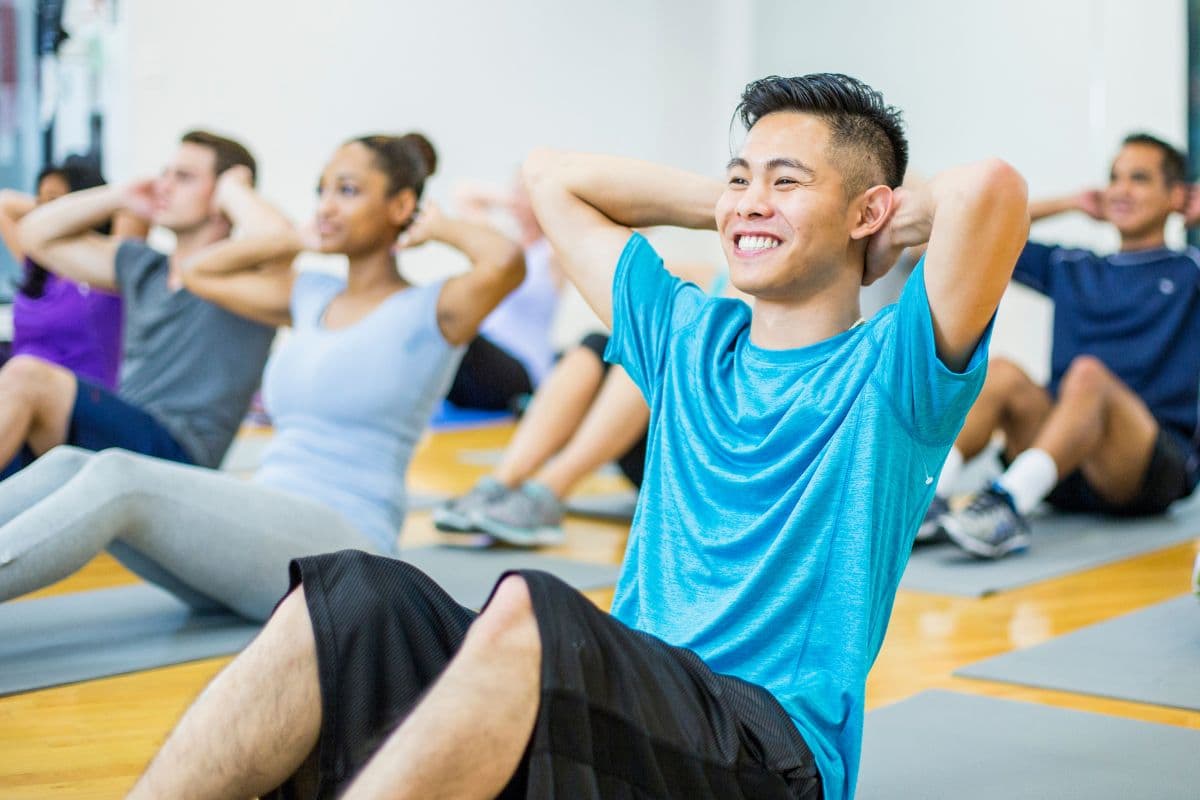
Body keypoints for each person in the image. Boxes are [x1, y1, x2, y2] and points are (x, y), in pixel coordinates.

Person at [127, 74, 1027, 800]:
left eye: (785, 180)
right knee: (353, 595)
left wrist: (872, 221)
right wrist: (748, 204)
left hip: (764, 751)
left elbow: (991, 188)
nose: (750, 199)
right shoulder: (688, 338)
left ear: (871, 211)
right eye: (739, 175)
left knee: (533, 610)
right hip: (612, 708)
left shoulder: (895, 371)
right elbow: (552, 179)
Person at [0, 132, 525, 622]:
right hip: (265, 529)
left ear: (401, 206)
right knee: (71, 462)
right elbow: (205, 272)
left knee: (117, 476)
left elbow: (504, 260)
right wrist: (298, 238)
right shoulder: (309, 293)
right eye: (322, 191)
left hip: (348, 548)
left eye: (347, 190)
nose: (327, 205)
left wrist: (436, 227)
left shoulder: (433, 309)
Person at [924, 133, 1200, 559]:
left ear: (1175, 196)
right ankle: (926, 500)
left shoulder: (1188, 271)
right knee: (1002, 374)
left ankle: (1008, 504)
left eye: (1139, 179)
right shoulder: (1072, 265)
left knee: (1087, 374)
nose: (1121, 190)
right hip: (1065, 464)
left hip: (1143, 466)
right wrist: (1070, 203)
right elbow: (972, 235)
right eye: (1114, 177)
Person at [8, 131, 275, 476]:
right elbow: (35, 235)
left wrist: (236, 192)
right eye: (165, 173)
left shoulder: (247, 282)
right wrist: (119, 196)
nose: (164, 185)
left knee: (29, 375)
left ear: (223, 195)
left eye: (184, 177)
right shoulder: (144, 266)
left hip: (178, 457)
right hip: (122, 436)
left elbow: (277, 238)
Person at [0, 157, 136, 389]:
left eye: (54, 202)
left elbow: (133, 211)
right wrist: (47, 211)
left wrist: (70, 211)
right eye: (40, 201)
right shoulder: (39, 264)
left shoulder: (108, 268)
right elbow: (4, 203)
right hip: (21, 393)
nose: (44, 213)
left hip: (83, 402)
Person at [445, 178, 563, 411]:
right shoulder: (503, 249)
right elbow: (465, 195)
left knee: (454, 325)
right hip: (482, 372)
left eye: (527, 194)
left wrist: (542, 199)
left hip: (523, 371)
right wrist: (516, 201)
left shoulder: (553, 252)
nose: (520, 200)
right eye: (517, 192)